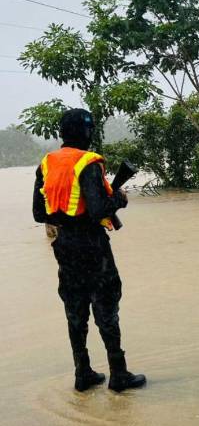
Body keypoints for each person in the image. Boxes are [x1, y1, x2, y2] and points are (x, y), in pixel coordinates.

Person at [32, 109, 146, 393]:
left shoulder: (46, 164)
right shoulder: (87, 163)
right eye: (90, 129)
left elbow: (38, 213)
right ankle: (118, 374)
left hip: (64, 246)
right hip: (93, 246)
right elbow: (97, 211)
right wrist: (118, 200)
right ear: (85, 132)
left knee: (75, 309)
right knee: (106, 307)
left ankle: (82, 373)